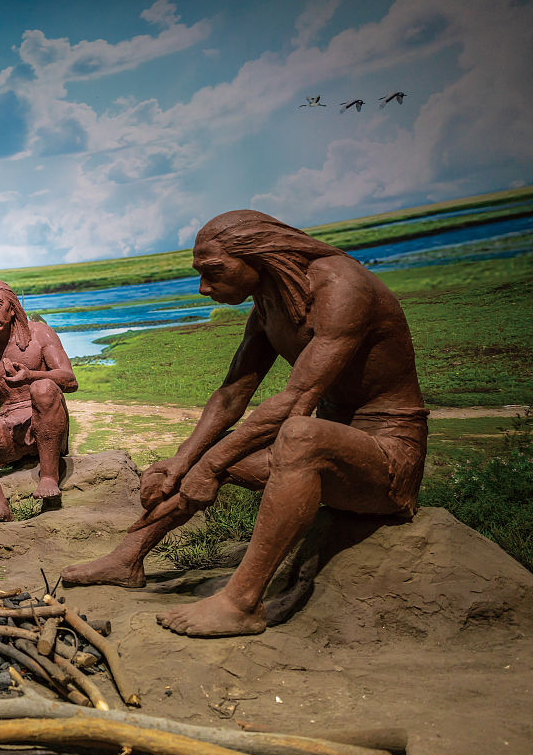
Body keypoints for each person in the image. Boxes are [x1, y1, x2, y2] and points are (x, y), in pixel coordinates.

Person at [62, 210, 428, 637]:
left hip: (388, 460)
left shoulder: (341, 285)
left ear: (258, 254)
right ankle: (128, 558)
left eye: (214, 272)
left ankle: (242, 604)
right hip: (331, 456)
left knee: (294, 434)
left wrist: (210, 465)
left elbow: (298, 399)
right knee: (216, 452)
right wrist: (181, 462)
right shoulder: (271, 304)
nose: (204, 288)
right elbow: (232, 394)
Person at [0, 280, 78, 521]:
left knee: (43, 388)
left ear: (12, 308)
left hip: (44, 426)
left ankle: (49, 477)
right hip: (8, 435)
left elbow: (70, 380)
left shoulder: (40, 333)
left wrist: (31, 376)